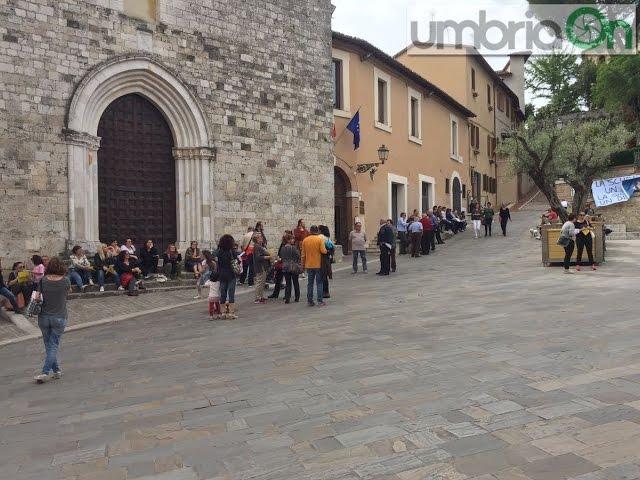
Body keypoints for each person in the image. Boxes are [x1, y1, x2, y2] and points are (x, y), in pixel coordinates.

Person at [33, 257, 71, 384]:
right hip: (60, 316)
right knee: (53, 345)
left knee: (49, 345)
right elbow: (68, 293)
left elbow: (37, 297)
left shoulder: (43, 280)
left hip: (43, 316)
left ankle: (55, 371)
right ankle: (46, 372)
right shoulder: (65, 281)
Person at [301, 225, 328, 306]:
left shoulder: (305, 240)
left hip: (309, 264)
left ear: (310, 231)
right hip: (318, 264)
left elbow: (303, 254)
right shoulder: (319, 239)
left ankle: (310, 301)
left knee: (310, 283)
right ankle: (320, 301)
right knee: (319, 283)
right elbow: (323, 251)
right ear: (317, 231)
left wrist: (302, 265)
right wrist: (327, 251)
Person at [217, 234, 239, 319]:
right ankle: (231, 313)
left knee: (223, 293)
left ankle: (223, 313)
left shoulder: (219, 252)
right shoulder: (232, 252)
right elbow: (236, 262)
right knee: (231, 293)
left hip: (222, 274)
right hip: (231, 274)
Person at [280, 233, 301, 303]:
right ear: (288, 240)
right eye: (292, 239)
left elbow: (282, 257)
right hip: (293, 266)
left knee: (288, 283)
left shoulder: (282, 248)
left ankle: (287, 298)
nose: (293, 240)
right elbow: (298, 256)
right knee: (295, 282)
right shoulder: (293, 248)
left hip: (285, 267)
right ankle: (297, 297)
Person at [269, 234, 289, 300]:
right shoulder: (283, 245)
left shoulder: (287, 246)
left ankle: (285, 295)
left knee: (285, 280)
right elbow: (279, 254)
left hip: (284, 264)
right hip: (281, 264)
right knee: (278, 279)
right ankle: (276, 294)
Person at [252, 233, 272, 304]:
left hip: (262, 266)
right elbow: (258, 258)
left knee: (262, 282)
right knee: (259, 282)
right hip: (260, 267)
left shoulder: (259, 246)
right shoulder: (257, 247)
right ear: (257, 239)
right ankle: (257, 298)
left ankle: (260, 296)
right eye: (260, 237)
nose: (262, 238)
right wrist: (268, 257)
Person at [318, 225, 334, 298]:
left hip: (322, 258)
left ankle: (323, 292)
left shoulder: (320, 237)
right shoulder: (327, 238)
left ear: (320, 230)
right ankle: (326, 292)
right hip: (327, 258)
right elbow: (332, 248)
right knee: (325, 275)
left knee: (321, 276)